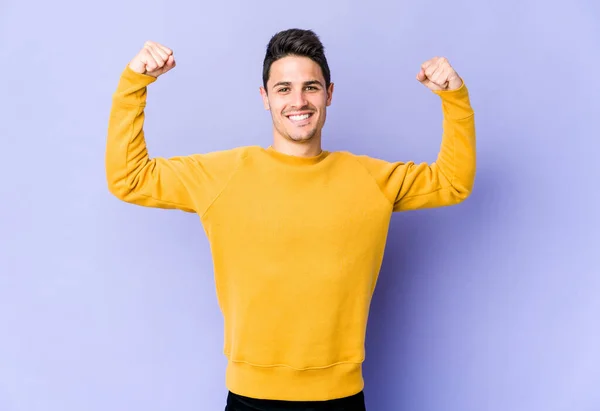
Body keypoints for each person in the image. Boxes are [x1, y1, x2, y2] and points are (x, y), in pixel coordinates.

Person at [105, 28, 476, 411]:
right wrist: (135, 83)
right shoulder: (222, 175)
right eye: (283, 89)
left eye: (310, 87)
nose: (298, 101)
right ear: (264, 98)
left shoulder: (371, 179)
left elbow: (452, 182)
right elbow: (129, 178)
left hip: (340, 399)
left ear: (329, 94)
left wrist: (454, 99)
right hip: (251, 399)